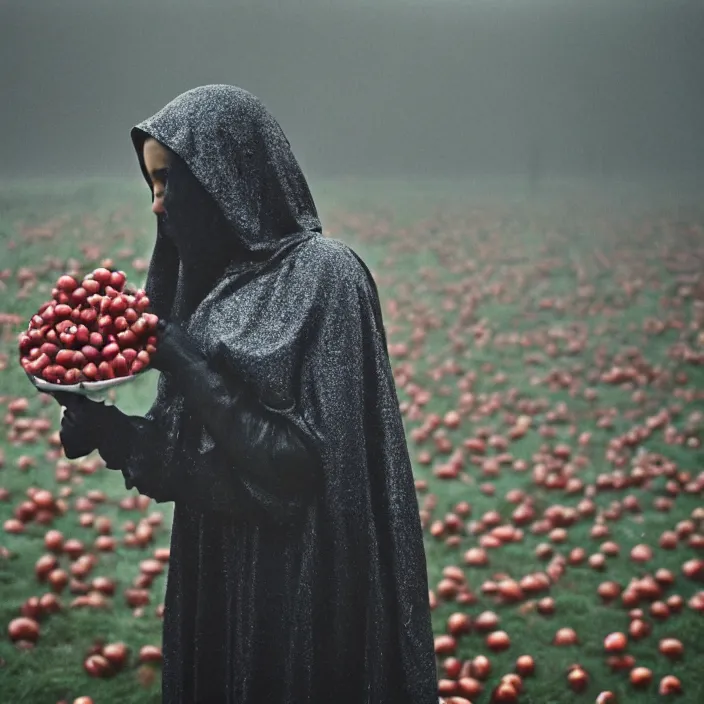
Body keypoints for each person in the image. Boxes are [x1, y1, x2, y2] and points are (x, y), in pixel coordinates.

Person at [56, 85, 439, 703]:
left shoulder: (327, 276)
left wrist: (182, 357)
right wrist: (112, 431)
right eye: (148, 185)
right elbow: (204, 468)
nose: (156, 206)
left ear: (222, 174)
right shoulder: (203, 289)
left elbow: (293, 472)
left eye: (166, 181)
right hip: (216, 571)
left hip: (301, 585)